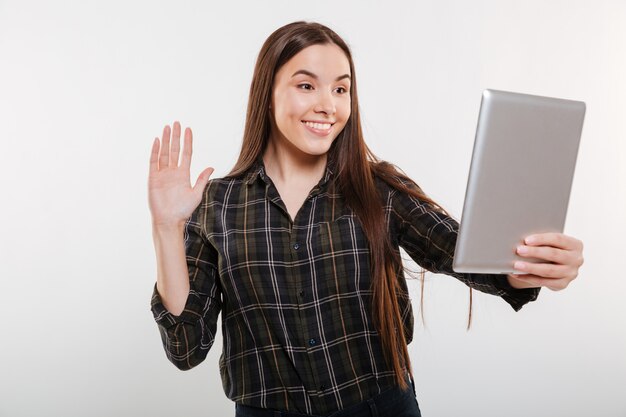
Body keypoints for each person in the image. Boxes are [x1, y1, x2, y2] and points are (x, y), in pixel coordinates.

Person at [147, 21, 584, 417]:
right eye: (306, 86)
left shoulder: (380, 191)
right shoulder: (217, 204)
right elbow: (186, 348)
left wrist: (535, 267)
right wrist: (167, 229)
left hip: (381, 407)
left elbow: (468, 256)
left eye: (341, 90)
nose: (327, 105)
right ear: (268, 91)